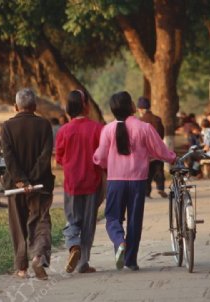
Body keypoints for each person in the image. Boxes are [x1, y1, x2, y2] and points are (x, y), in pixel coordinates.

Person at [93, 91, 176, 271]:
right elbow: (160, 151)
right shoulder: (144, 128)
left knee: (113, 218)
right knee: (134, 221)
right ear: (131, 106)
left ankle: (119, 241)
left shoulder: (107, 130)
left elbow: (100, 158)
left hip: (115, 181)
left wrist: (103, 162)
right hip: (138, 181)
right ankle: (131, 261)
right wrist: (173, 158)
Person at [1, 88, 55, 280]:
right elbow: (45, 156)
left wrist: (22, 181)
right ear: (35, 106)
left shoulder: (7, 127)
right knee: (41, 221)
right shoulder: (44, 125)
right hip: (41, 186)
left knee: (18, 224)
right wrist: (32, 180)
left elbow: (9, 158)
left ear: (16, 107)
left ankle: (21, 268)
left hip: (16, 187)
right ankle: (38, 256)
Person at [55, 90, 104, 274]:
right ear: (86, 106)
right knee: (88, 223)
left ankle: (73, 244)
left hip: (72, 184)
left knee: (72, 219)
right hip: (93, 183)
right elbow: (102, 156)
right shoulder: (97, 128)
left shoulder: (64, 130)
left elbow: (59, 158)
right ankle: (83, 263)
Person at [137, 96, 168, 198]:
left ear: (141, 109)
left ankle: (147, 192)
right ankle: (160, 188)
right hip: (157, 149)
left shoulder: (140, 121)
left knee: (147, 172)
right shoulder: (157, 119)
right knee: (159, 169)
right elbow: (162, 134)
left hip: (145, 151)